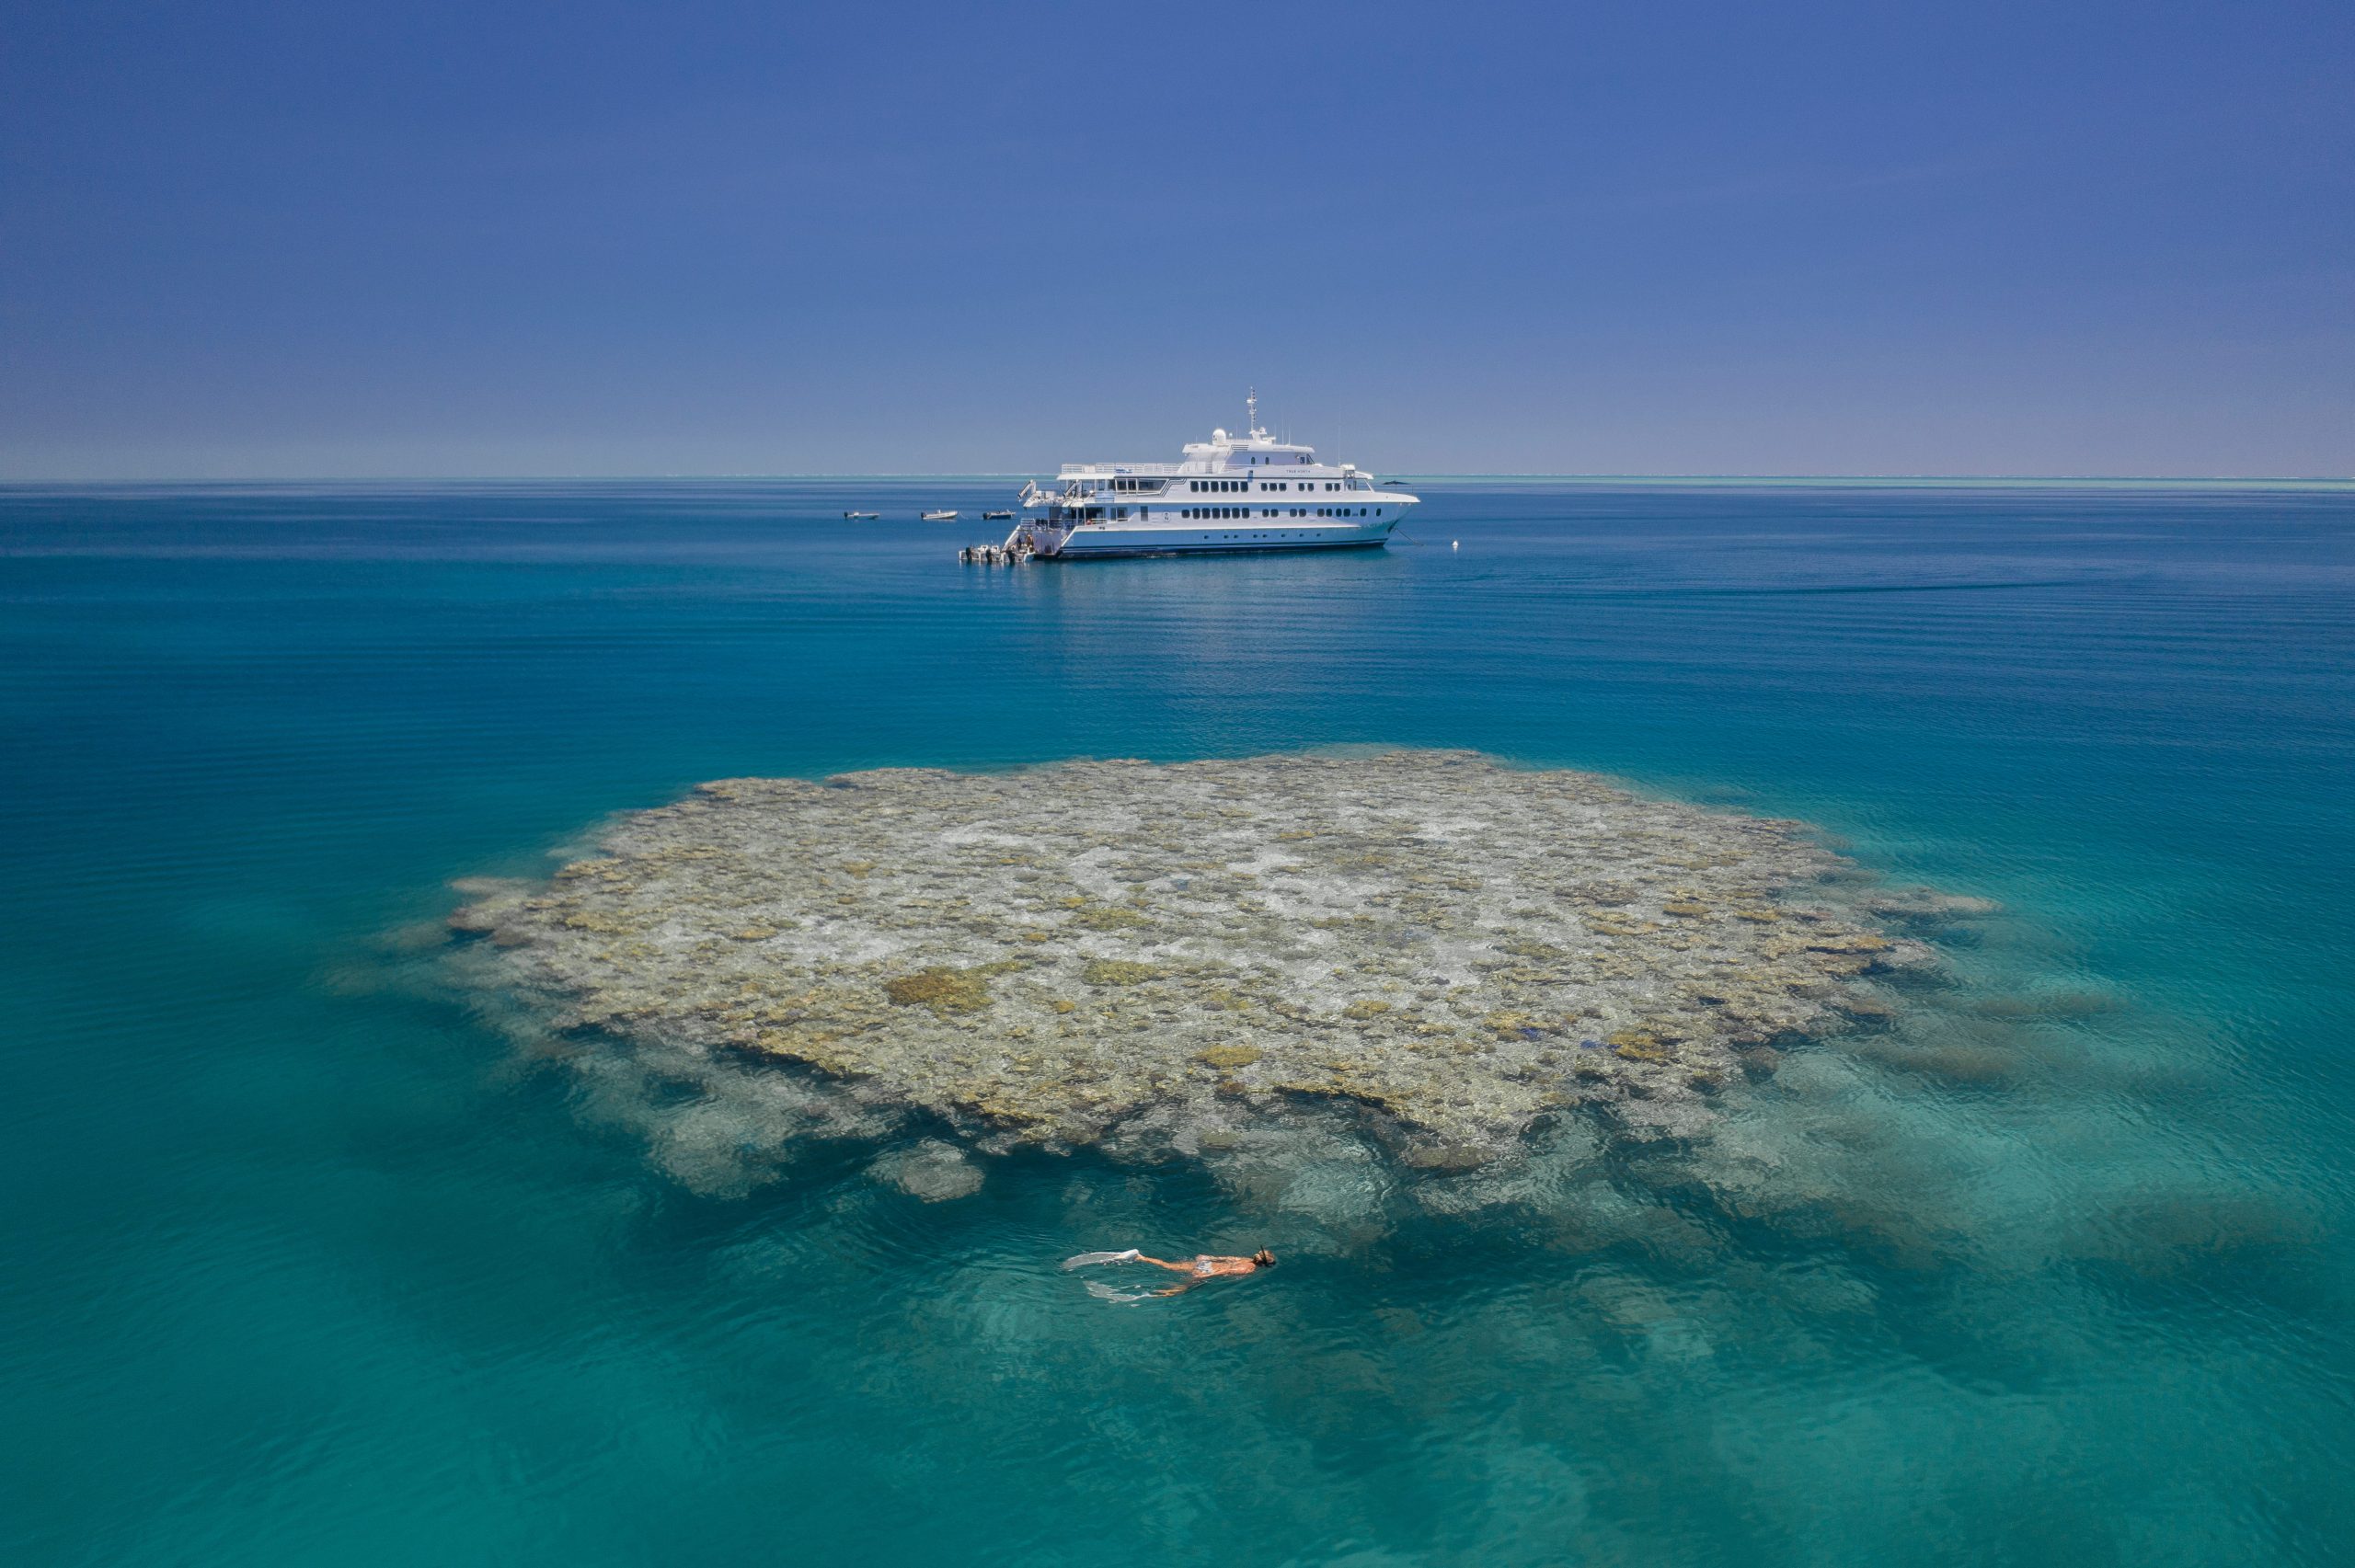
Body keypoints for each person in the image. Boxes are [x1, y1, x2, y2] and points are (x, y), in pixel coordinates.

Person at [1129, 1249, 1276, 1295]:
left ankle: (1141, 1257)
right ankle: (1167, 1293)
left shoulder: (1246, 1260)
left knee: (1169, 1266)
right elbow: (1229, 1270)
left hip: (1207, 1264)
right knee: (1185, 1287)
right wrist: (1206, 1275)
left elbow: (1229, 1260)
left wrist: (1210, 1257)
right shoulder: (1249, 1268)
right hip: (1208, 1270)